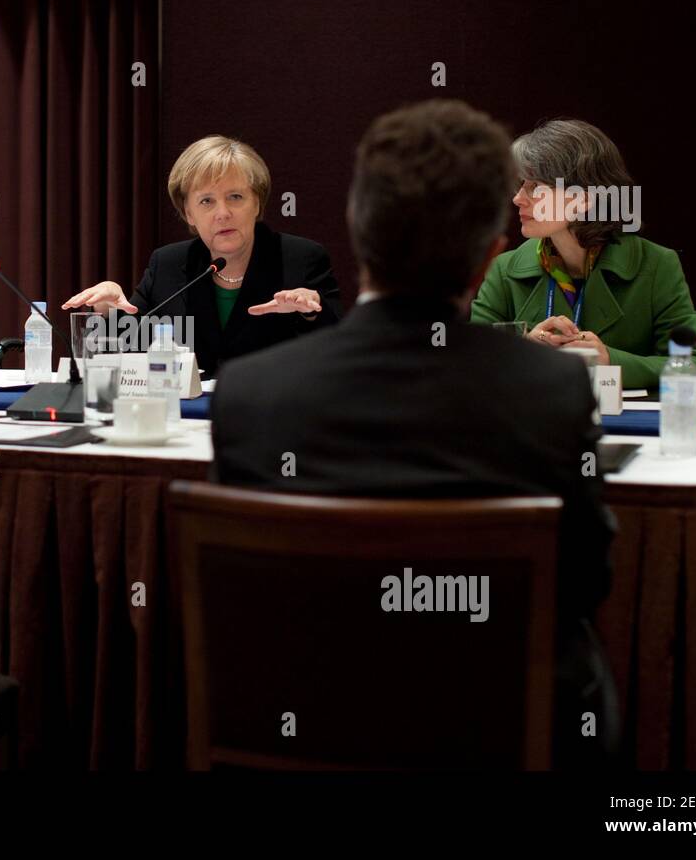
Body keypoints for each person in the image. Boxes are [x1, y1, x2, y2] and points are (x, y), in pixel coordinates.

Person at [213, 99, 619, 768]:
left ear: (356, 227)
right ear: (491, 255)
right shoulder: (551, 392)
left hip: (310, 725)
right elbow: (584, 581)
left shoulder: (252, 394)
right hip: (499, 737)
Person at [61, 135, 343, 376]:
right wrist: (108, 310)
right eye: (207, 201)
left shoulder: (300, 258)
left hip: (274, 417)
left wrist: (310, 313)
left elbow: (338, 351)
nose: (223, 213)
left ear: (257, 202)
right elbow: (128, 347)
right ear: (189, 213)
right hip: (187, 421)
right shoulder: (169, 265)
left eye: (235, 197)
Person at [470, 118, 696, 389]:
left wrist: (610, 360)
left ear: (583, 198)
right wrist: (524, 352)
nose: (517, 198)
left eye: (535, 188)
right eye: (520, 185)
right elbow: (467, 365)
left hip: (627, 429)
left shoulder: (656, 265)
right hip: (536, 426)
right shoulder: (504, 269)